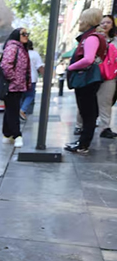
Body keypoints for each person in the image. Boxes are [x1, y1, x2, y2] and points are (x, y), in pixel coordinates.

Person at [65, 8, 108, 153]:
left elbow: (88, 59)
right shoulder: (96, 36)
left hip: (86, 78)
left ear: (88, 21)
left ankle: (83, 144)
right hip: (90, 78)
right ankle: (82, 143)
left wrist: (71, 67)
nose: (80, 22)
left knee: (87, 112)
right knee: (89, 112)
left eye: (82, 19)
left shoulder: (91, 38)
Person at [0, 28, 31, 148]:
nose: (26, 36)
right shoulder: (13, 47)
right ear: (17, 35)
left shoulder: (21, 48)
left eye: (27, 34)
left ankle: (7, 134)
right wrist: (14, 79)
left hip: (17, 85)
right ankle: (17, 135)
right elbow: (6, 65)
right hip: (12, 85)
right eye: (23, 34)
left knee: (10, 109)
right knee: (13, 110)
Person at [97, 15, 117, 138]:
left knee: (106, 101)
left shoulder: (115, 40)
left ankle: (105, 127)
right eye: (102, 22)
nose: (105, 25)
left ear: (112, 25)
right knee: (88, 101)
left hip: (110, 75)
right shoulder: (95, 37)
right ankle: (80, 125)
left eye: (108, 22)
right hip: (94, 73)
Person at [20, 40, 44, 119]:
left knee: (20, 96)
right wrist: (45, 77)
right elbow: (40, 67)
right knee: (30, 95)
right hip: (32, 78)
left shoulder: (19, 53)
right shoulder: (34, 54)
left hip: (19, 79)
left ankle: (19, 110)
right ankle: (22, 110)